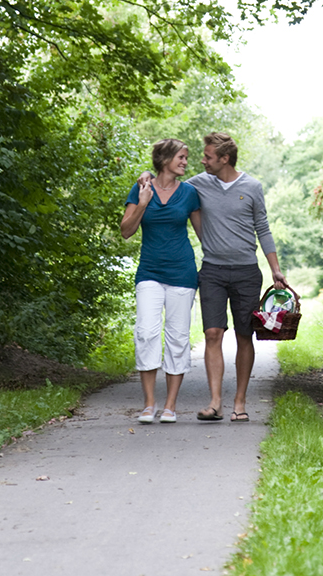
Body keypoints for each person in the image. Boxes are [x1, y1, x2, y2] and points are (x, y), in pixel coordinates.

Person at [142, 132, 286, 423]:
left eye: (208, 156)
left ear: (224, 159)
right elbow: (166, 179)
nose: (202, 160)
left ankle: (240, 402)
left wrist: (275, 269)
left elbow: (264, 229)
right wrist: (146, 174)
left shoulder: (252, 186)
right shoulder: (198, 184)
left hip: (246, 271)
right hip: (212, 271)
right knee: (212, 334)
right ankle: (216, 403)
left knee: (245, 335)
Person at [122, 139, 202, 424]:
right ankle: (149, 404)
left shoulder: (190, 193)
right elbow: (126, 231)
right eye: (181, 157)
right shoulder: (141, 188)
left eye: (186, 157)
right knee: (145, 332)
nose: (185, 162)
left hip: (182, 273)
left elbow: (204, 234)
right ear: (165, 158)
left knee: (178, 337)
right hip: (150, 272)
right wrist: (143, 203)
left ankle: (170, 406)